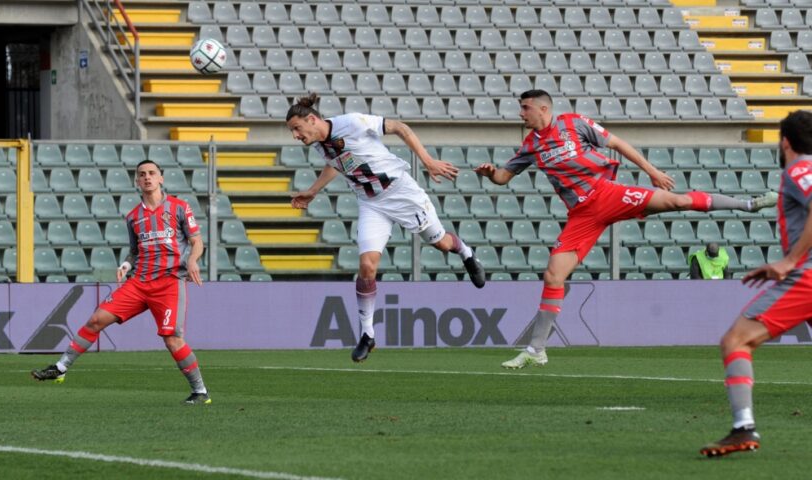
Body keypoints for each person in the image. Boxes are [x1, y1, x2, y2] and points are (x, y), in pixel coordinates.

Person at [474, 90, 778, 369]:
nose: (520, 114)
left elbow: (616, 143)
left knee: (677, 201)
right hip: (582, 215)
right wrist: (490, 174)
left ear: (543, 108)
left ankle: (748, 204)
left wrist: (652, 171)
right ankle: (536, 349)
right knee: (553, 275)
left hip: (606, 194)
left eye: (525, 108)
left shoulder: (573, 124)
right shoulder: (531, 145)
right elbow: (504, 177)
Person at [287, 93, 486, 363]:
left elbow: (400, 128)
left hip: (402, 193)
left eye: (297, 129)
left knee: (440, 243)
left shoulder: (352, 122)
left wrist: (427, 161)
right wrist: (312, 191)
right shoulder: (320, 145)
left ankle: (465, 252)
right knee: (367, 266)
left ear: (312, 119)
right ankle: (368, 335)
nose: (295, 136)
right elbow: (335, 165)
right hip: (371, 203)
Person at [32, 159, 211, 405]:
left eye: (151, 173)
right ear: (137, 181)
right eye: (142, 174)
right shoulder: (133, 217)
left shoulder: (180, 207)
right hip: (138, 283)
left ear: (161, 178)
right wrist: (126, 264)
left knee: (172, 339)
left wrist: (193, 259)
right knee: (96, 320)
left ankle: (200, 391)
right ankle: (61, 368)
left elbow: (197, 240)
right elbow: (134, 251)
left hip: (169, 282)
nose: (147, 177)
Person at [701, 111, 812, 457]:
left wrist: (790, 260)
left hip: (807, 275)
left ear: (784, 142)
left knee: (736, 340)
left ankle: (742, 428)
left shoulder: (800, 168)